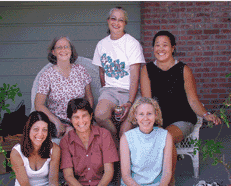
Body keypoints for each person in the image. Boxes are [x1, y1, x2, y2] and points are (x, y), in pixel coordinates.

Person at [140, 30, 221, 185]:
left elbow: (193, 100)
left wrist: (206, 114)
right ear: (153, 48)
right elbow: (147, 102)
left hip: (182, 119)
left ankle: (168, 182)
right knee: (156, 137)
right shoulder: (147, 70)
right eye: (157, 45)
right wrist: (151, 124)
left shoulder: (184, 69)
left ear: (173, 48)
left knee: (166, 138)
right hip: (158, 119)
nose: (161, 49)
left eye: (165, 45)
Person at [92, 7, 146, 143]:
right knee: (99, 115)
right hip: (110, 91)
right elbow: (101, 72)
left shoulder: (132, 44)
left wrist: (129, 102)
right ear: (108, 21)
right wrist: (106, 90)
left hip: (129, 91)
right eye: (113, 19)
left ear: (125, 24)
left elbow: (135, 76)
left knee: (125, 133)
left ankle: (122, 157)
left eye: (121, 20)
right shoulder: (101, 44)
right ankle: (114, 135)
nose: (116, 23)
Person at [35, 36, 93, 138]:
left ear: (71, 50)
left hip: (80, 117)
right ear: (53, 52)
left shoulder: (81, 70)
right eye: (59, 47)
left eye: (66, 47)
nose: (63, 50)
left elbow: (89, 97)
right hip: (58, 119)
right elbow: (38, 104)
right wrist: (56, 121)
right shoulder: (47, 75)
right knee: (71, 134)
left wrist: (88, 117)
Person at [60, 98, 119, 186]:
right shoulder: (65, 141)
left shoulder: (104, 134)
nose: (81, 121)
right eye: (76, 117)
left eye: (84, 116)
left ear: (91, 116)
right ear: (70, 120)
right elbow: (68, 176)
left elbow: (109, 171)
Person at [120, 97, 172, 186]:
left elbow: (167, 172)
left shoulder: (166, 136)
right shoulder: (126, 138)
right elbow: (126, 176)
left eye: (149, 114)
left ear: (156, 115)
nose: (145, 118)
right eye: (141, 114)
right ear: (135, 115)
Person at [10, 111, 60, 186]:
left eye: (44, 130)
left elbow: (53, 182)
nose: (40, 134)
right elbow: (25, 184)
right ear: (28, 130)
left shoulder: (54, 149)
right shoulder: (16, 153)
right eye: (36, 129)